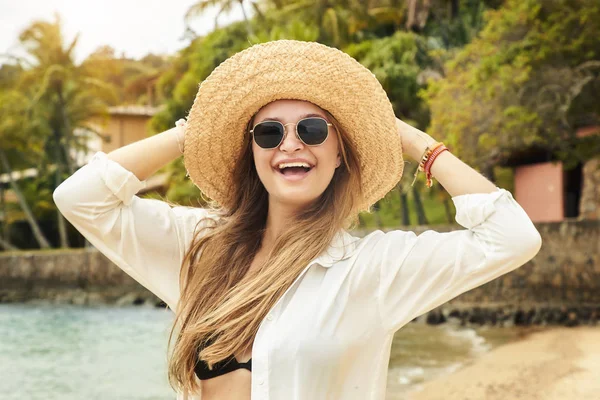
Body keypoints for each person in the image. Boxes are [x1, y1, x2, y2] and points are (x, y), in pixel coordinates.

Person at [53, 40, 542, 400]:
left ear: (338, 154)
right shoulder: (198, 249)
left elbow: (512, 237)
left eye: (312, 129)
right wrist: (194, 130)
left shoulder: (373, 269)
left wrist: (415, 144)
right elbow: (81, 198)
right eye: (268, 132)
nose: (290, 144)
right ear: (252, 153)